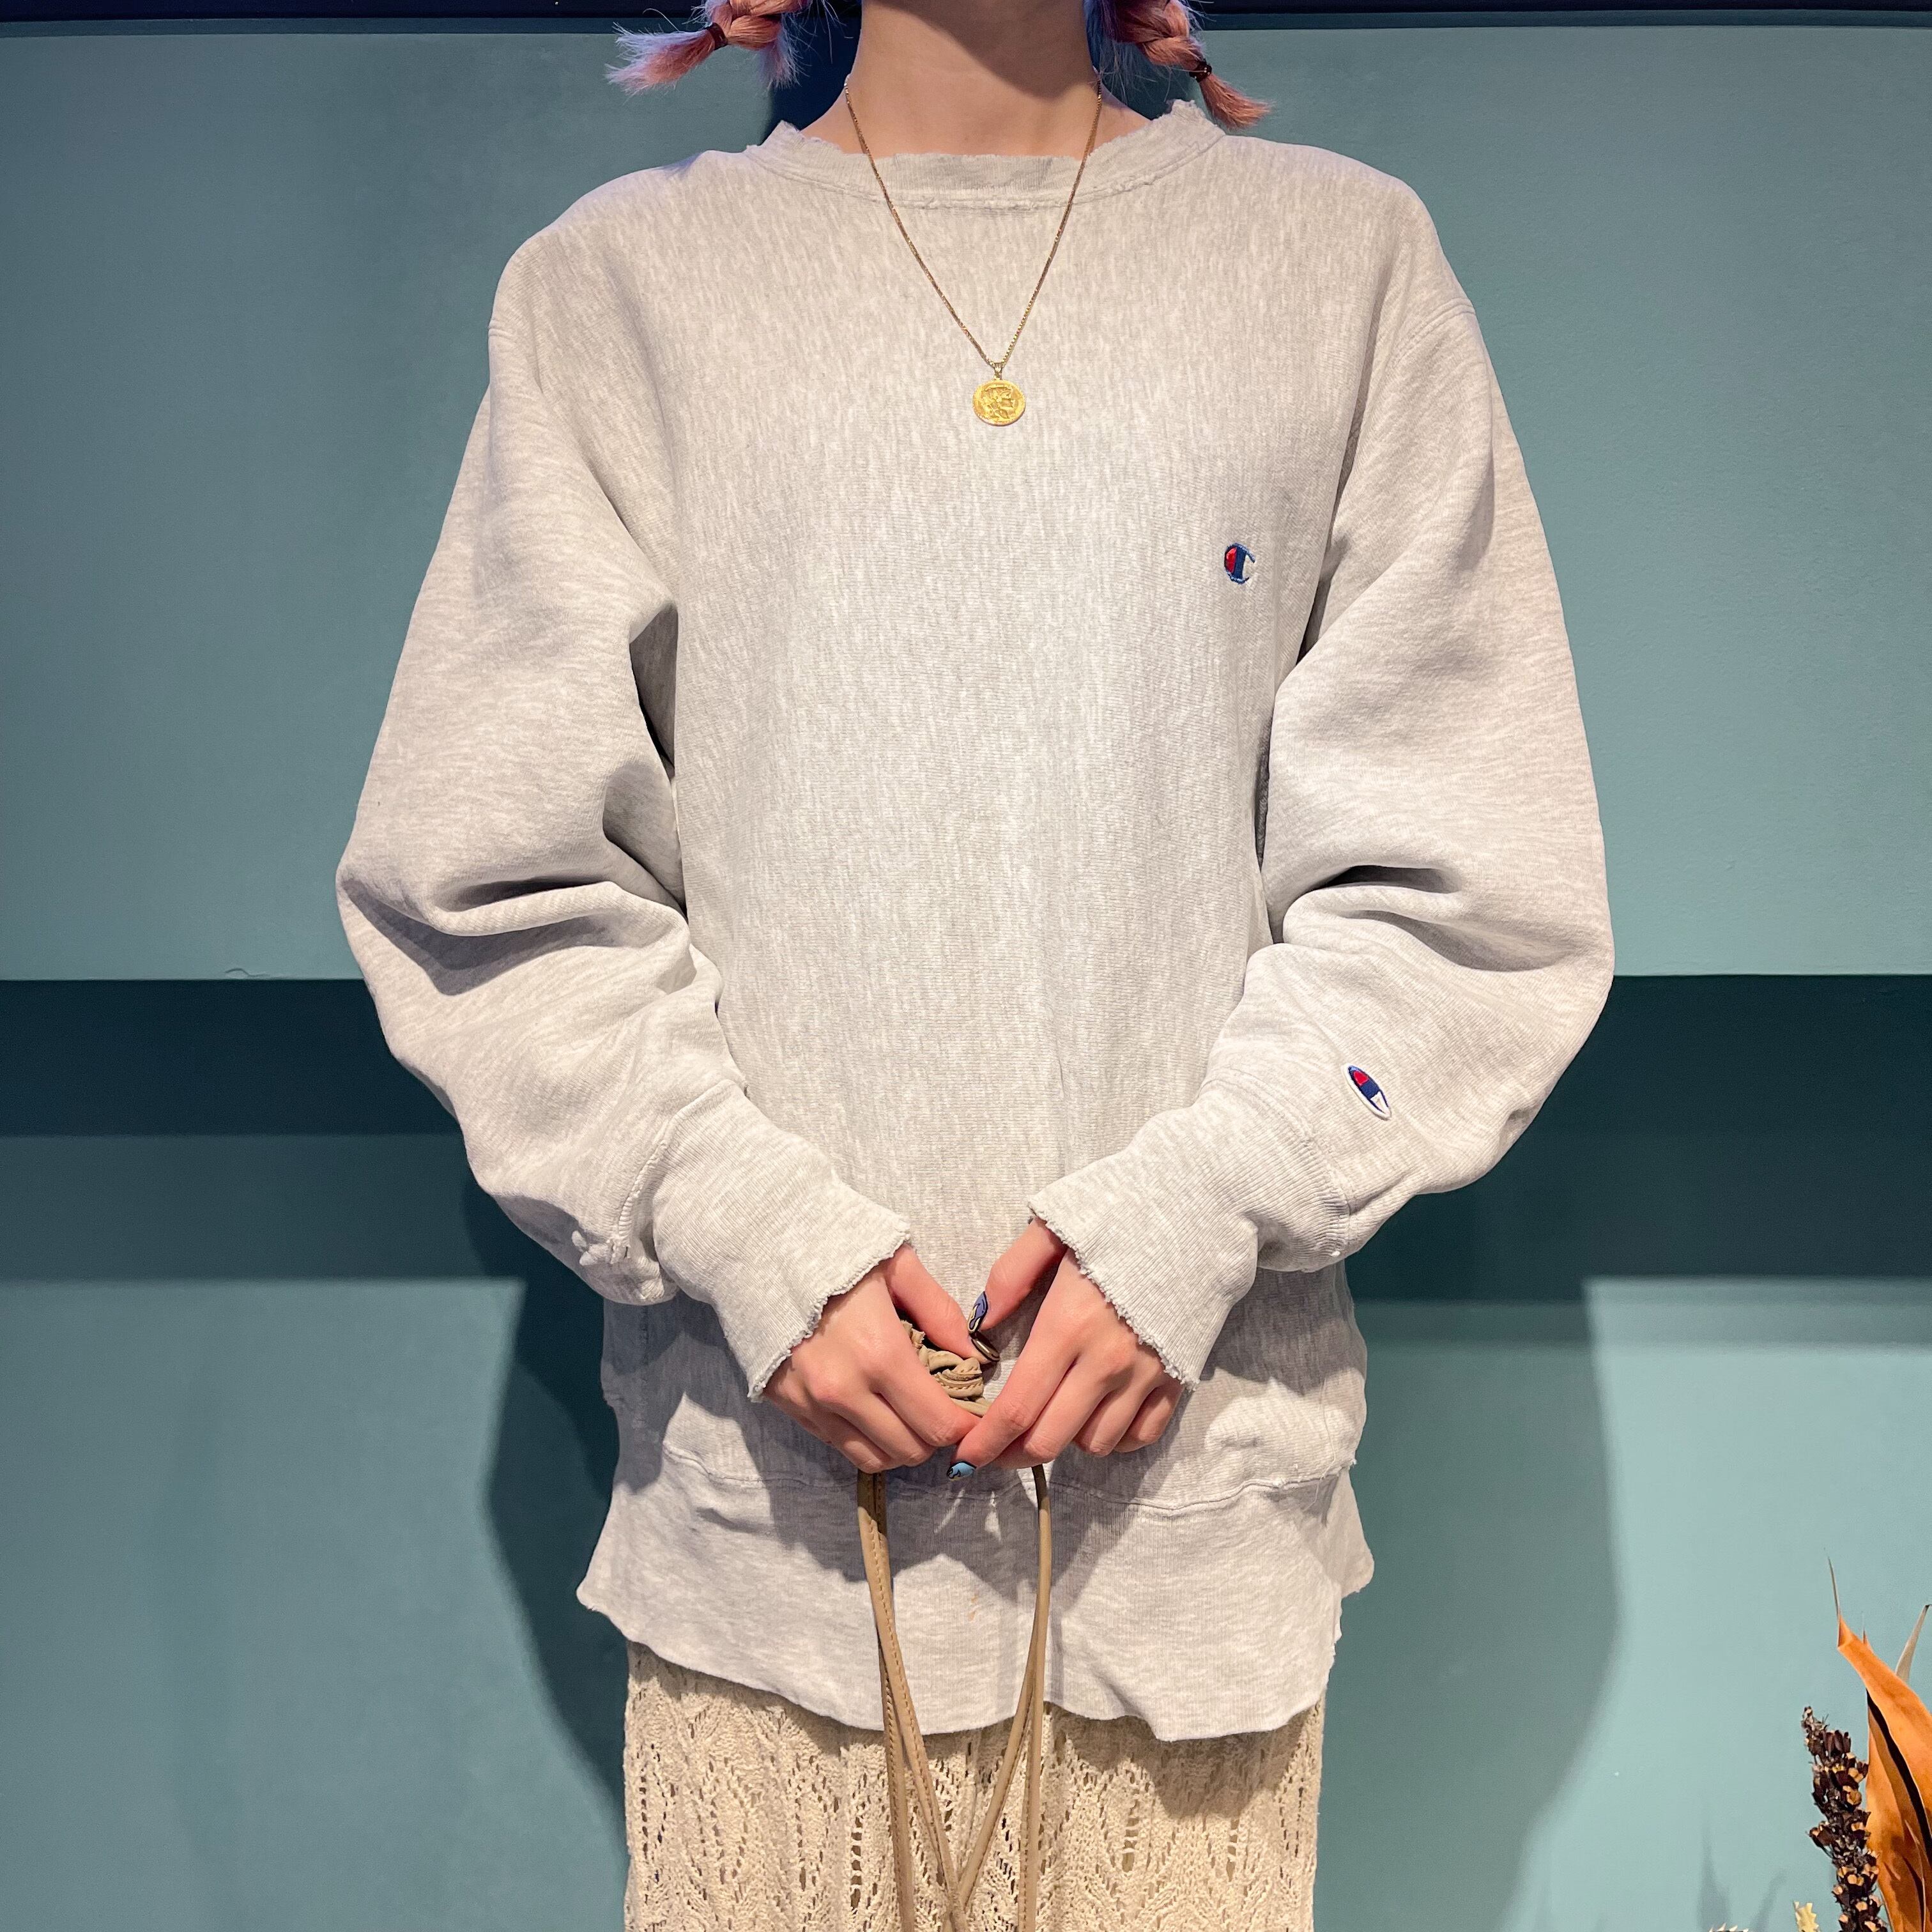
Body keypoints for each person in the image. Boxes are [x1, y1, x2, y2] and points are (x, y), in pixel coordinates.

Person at [334, 0, 1615, 1921]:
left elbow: (1469, 891)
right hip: (769, 1566)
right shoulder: (625, 294)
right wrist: (742, 1219)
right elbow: (489, 882)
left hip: (1188, 1560)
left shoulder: (1339, 268)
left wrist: (1202, 1206)